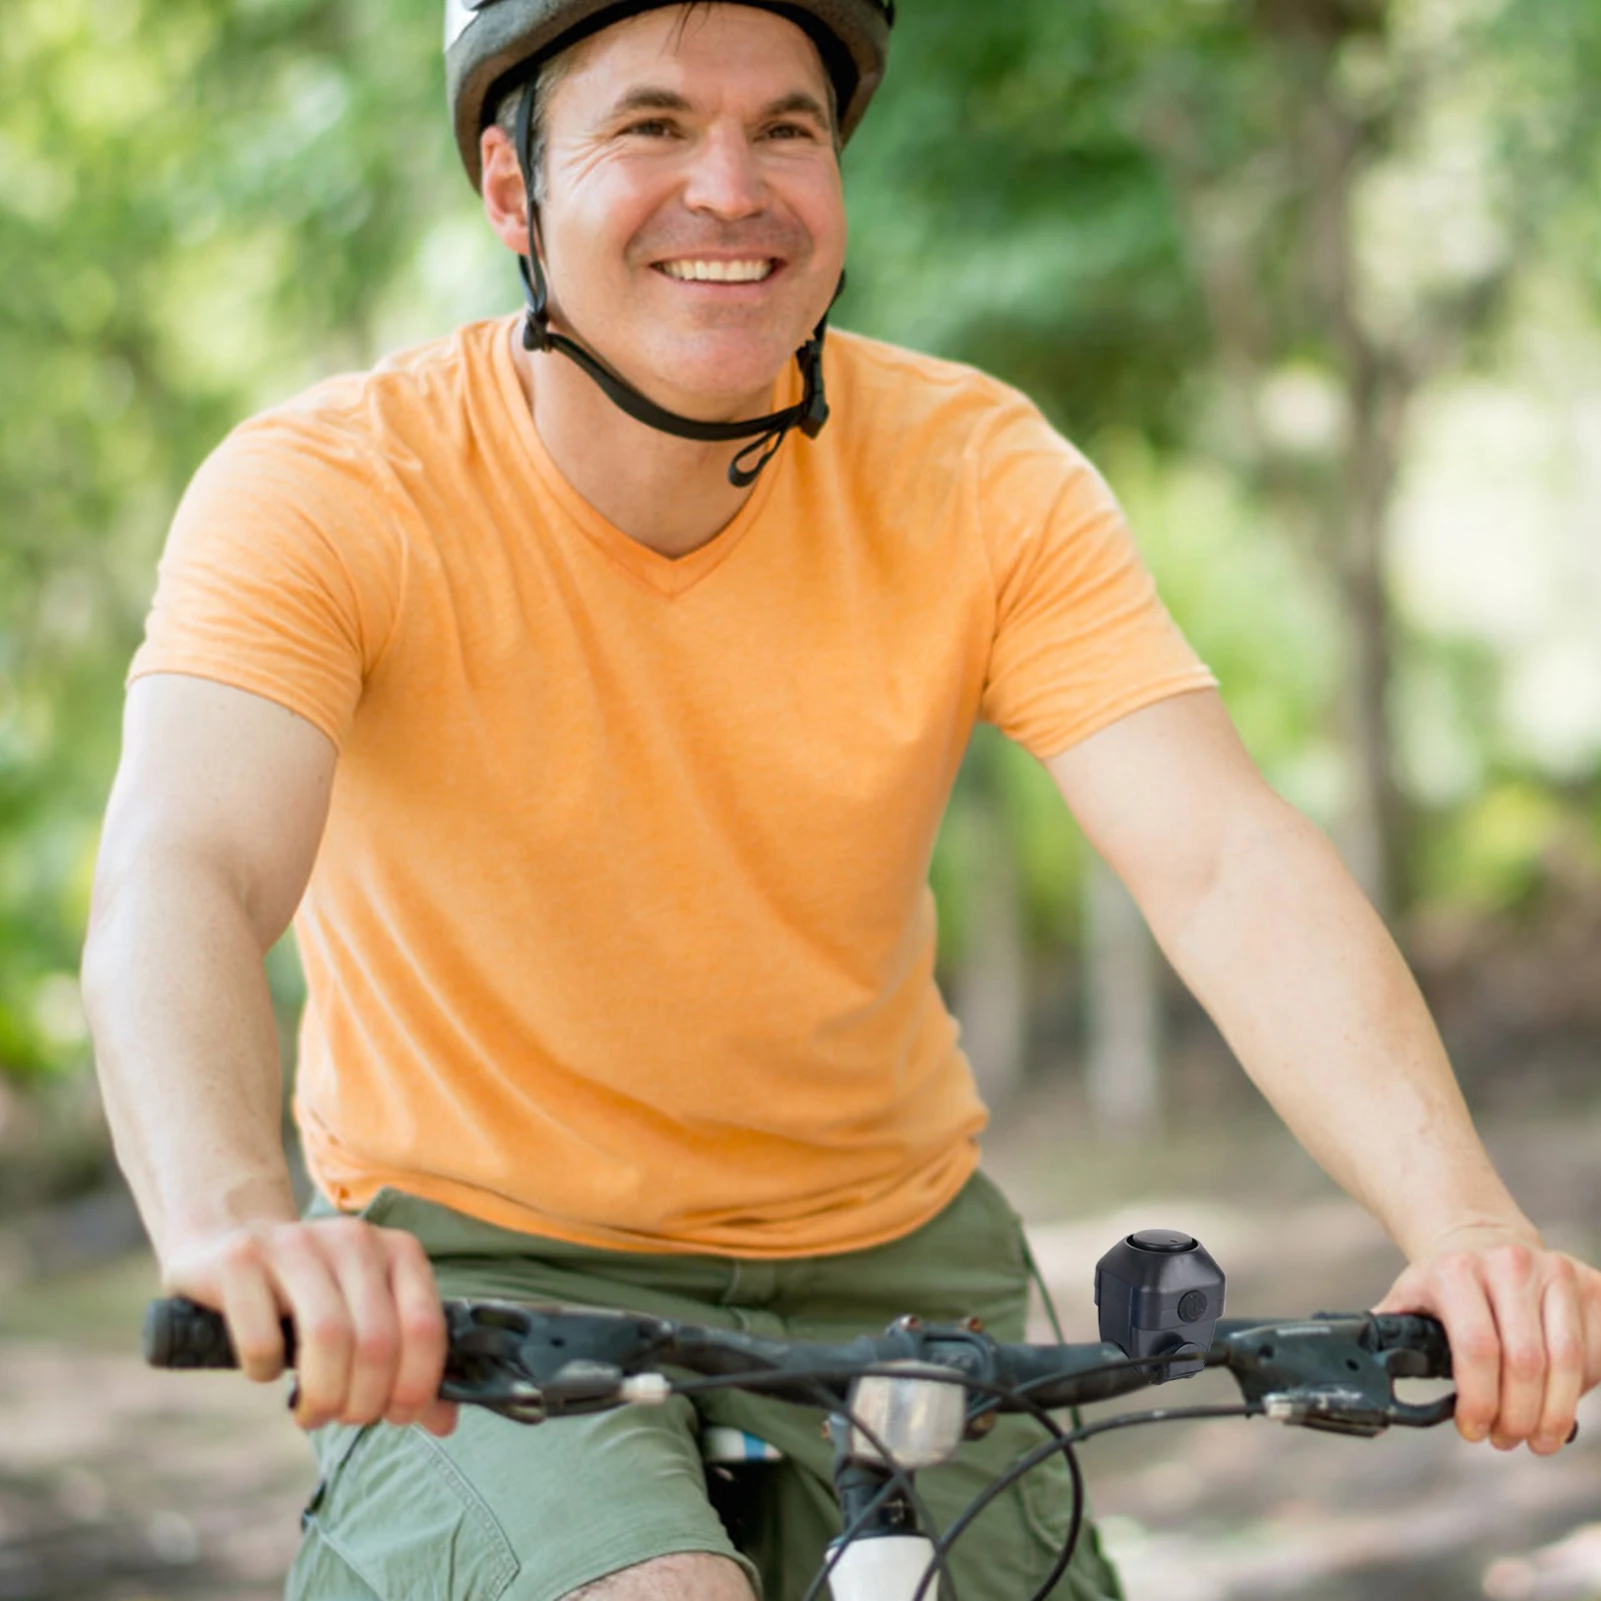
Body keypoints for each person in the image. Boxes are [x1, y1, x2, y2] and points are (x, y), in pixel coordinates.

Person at [83, 2, 1601, 1598]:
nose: (730, 188)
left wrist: (1467, 1225)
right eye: (653, 126)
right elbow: (188, 869)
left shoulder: (976, 472)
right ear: (513, 192)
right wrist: (237, 1223)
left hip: (899, 1264)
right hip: (483, 1264)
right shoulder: (329, 491)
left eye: (786, 129)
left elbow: (1222, 860)